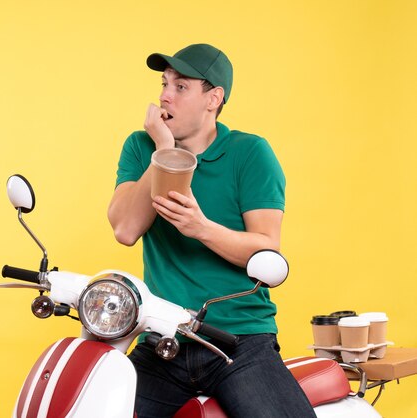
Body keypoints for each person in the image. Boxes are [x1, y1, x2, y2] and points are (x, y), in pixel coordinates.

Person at [107, 43, 316, 417]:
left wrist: (200, 228)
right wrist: (165, 150)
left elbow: (266, 249)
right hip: (163, 338)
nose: (164, 95)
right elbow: (125, 229)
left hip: (238, 340)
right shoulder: (143, 147)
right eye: (164, 83)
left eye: (181, 86)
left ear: (213, 98)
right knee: (100, 406)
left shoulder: (250, 153)